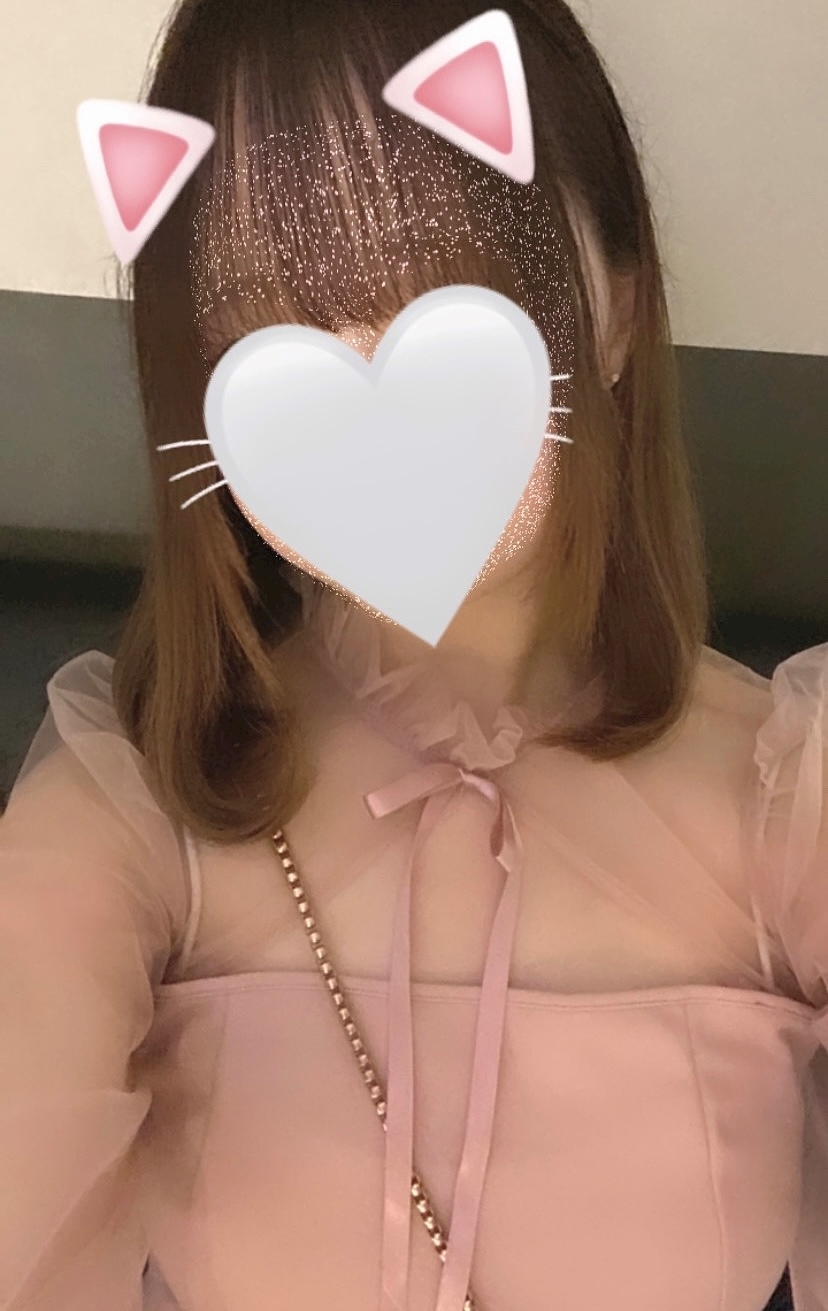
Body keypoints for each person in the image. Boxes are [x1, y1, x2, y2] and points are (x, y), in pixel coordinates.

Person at [1, 1, 826, 1309]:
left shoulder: (791, 799)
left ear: (614, 311)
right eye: (265, 327)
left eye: (448, 292)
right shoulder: (126, 825)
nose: (363, 377)